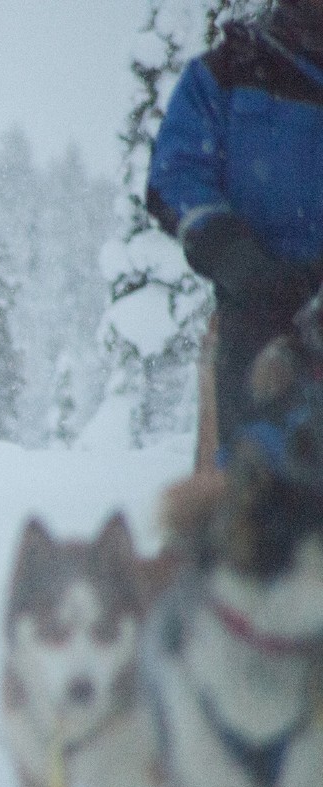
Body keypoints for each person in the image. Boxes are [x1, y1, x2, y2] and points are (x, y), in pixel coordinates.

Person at [146, 0, 323, 454]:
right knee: (256, 477)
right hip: (260, 303)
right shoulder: (230, 70)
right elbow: (176, 176)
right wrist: (236, 256)